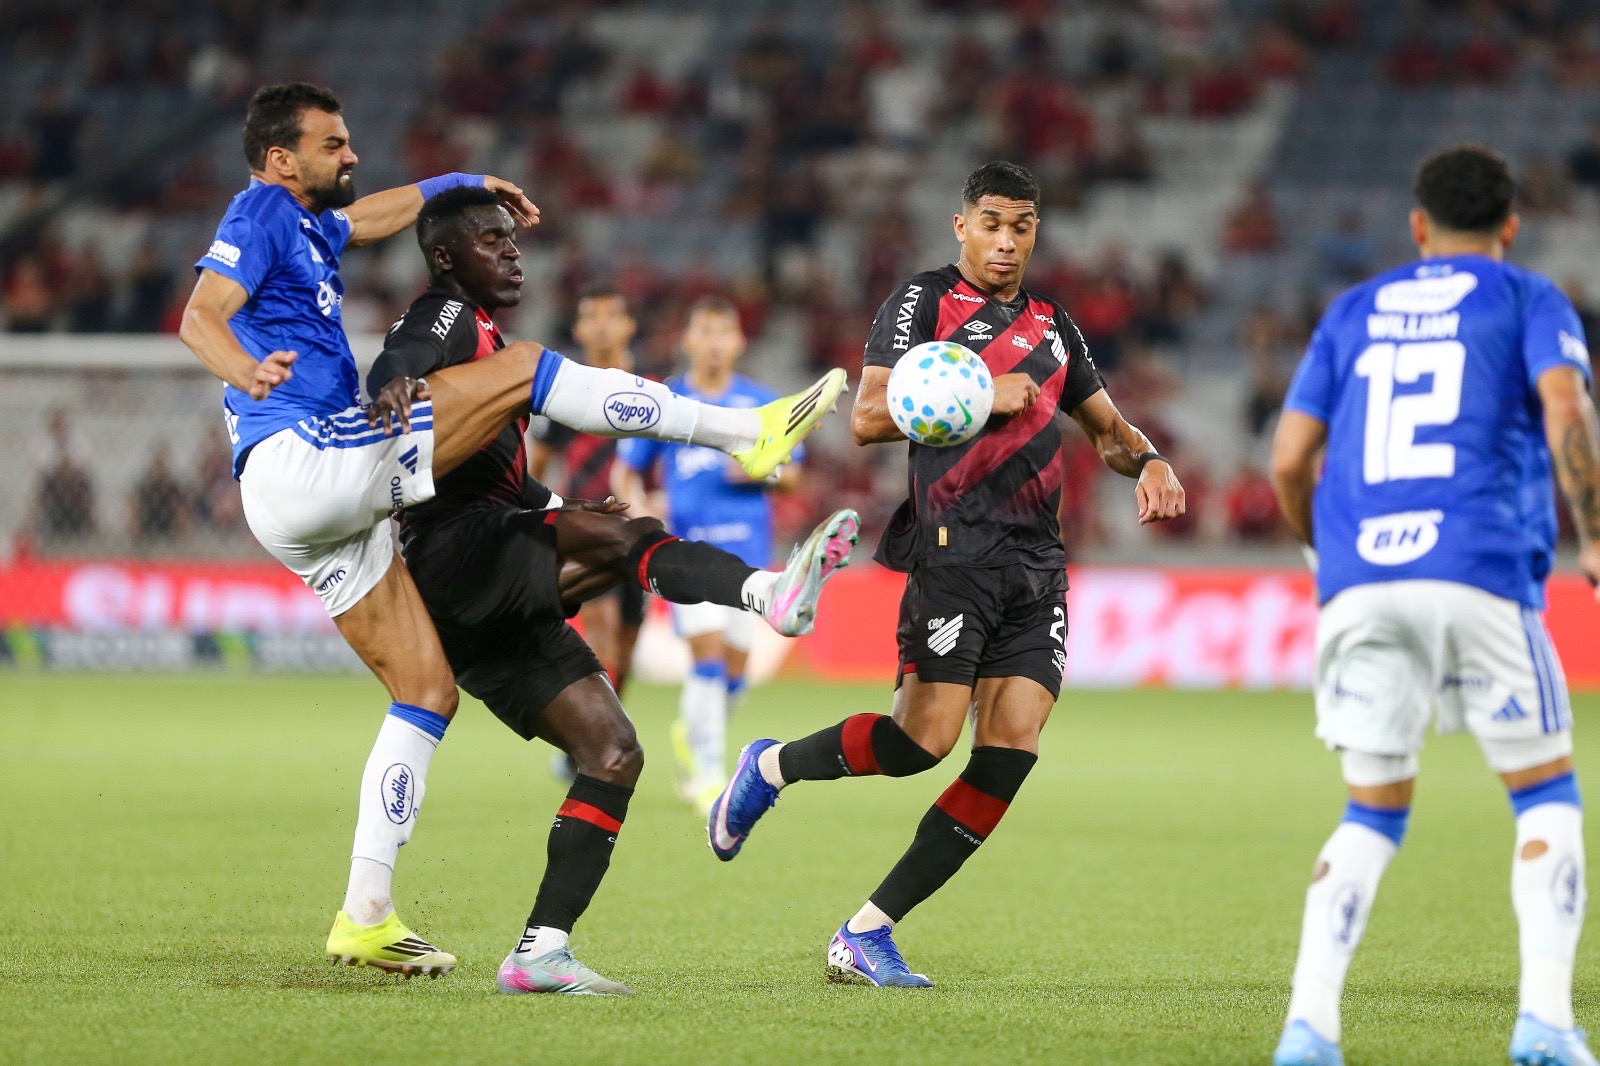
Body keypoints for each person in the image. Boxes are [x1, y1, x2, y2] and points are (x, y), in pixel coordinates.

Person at [177, 83, 847, 979]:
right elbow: (200, 316)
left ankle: (366, 914)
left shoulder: (314, 228)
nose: (352, 155)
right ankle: (744, 432)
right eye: (333, 144)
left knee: (427, 691)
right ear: (279, 160)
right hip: (304, 451)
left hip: (310, 510)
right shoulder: (263, 209)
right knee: (527, 369)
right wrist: (247, 372)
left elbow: (375, 216)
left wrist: (456, 180)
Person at [366, 186, 860, 995]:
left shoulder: (485, 337)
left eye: (513, 240)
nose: (512, 252)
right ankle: (768, 592)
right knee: (631, 539)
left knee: (614, 751)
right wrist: (391, 381)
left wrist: (558, 506)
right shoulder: (451, 316)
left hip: (476, 591)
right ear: (447, 257)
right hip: (456, 553)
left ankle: (541, 952)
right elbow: (405, 351)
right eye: (491, 240)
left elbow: (503, 476)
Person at [704, 160, 1186, 987]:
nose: (1006, 241)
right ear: (962, 226)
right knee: (919, 743)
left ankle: (868, 929)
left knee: (1012, 746)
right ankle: (770, 766)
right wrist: (976, 395)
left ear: (1036, 231)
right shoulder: (923, 302)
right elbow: (865, 417)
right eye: (991, 224)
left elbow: (1107, 429)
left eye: (1021, 226)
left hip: (1038, 564)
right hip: (954, 548)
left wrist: (1148, 461)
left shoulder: (1053, 325)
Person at [1269, 145, 1600, 1066]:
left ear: (1417, 225)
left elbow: (1289, 459)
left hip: (1360, 578)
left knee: (1371, 811)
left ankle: (1309, 1027)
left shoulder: (1351, 310)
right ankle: (1544, 1022)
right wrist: (1595, 532)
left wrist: (1322, 550)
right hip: (1477, 565)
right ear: (1511, 226)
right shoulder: (1529, 297)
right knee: (1545, 794)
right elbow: (1566, 408)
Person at [614, 297, 801, 814]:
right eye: (705, 331)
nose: (715, 342)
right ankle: (709, 775)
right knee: (709, 658)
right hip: (688, 555)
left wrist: (766, 471)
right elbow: (627, 470)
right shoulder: (668, 401)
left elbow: (795, 474)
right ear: (688, 340)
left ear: (739, 341)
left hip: (749, 559)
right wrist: (641, 507)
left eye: (724, 332)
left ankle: (694, 733)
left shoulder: (760, 403)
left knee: (735, 673)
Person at [529, 285, 646, 703]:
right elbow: (537, 467)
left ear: (629, 325)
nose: (601, 326)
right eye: (591, 317)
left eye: (611, 315)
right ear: (577, 329)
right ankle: (596, 732)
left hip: (639, 528)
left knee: (626, 653)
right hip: (586, 528)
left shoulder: (652, 388)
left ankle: (605, 724)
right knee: (602, 634)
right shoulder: (565, 391)